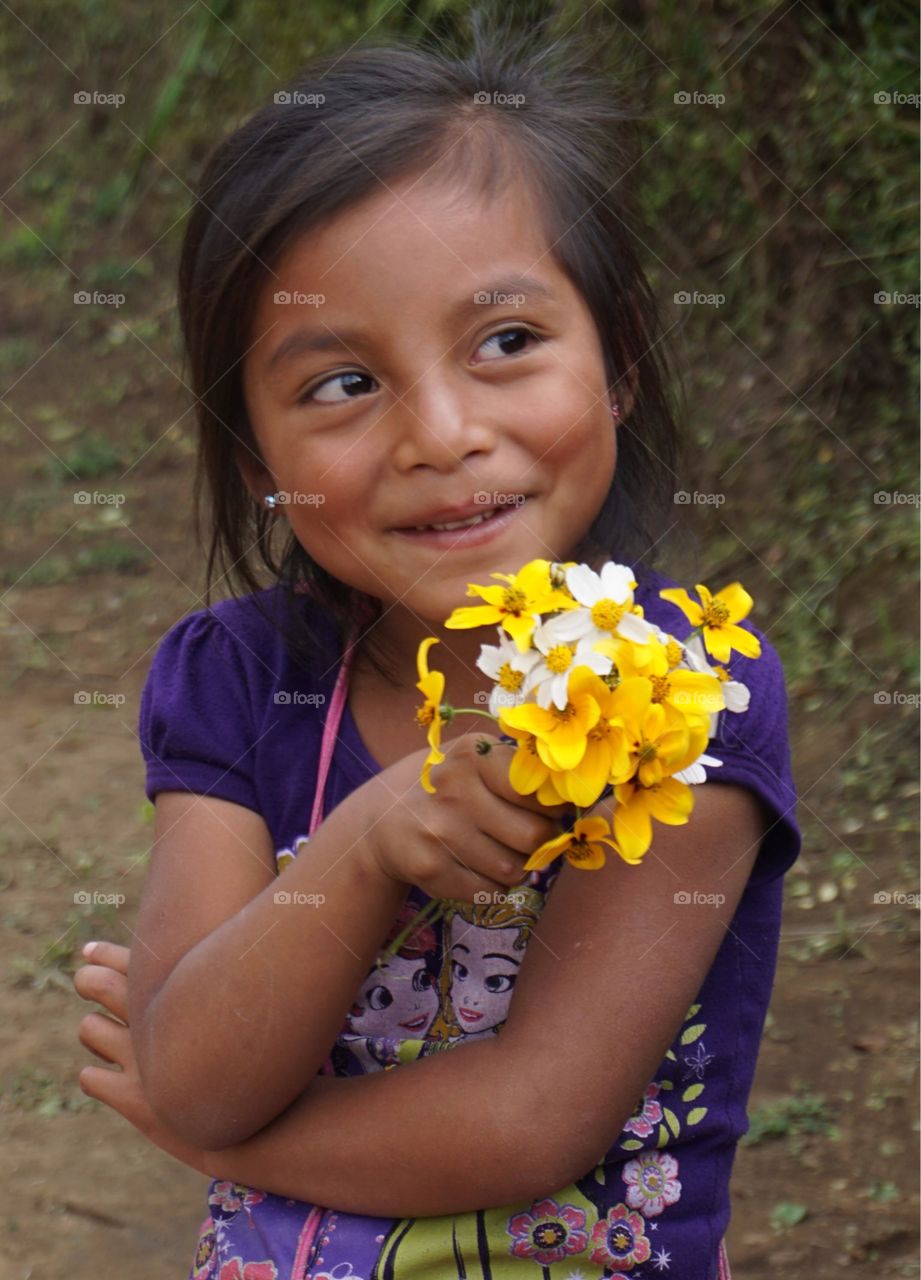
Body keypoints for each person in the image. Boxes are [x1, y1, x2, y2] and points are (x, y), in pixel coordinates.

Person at [73, 11, 802, 1278]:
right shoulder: (240, 679)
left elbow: (529, 1119)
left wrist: (222, 1138)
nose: (442, 432)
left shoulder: (685, 692)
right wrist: (361, 846)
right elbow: (194, 1060)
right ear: (259, 461)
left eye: (507, 341)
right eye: (343, 384)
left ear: (619, 362)